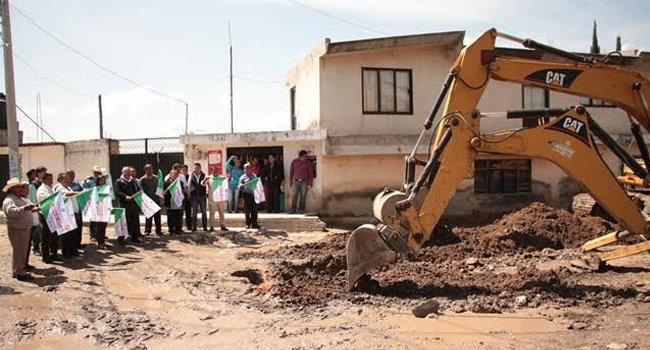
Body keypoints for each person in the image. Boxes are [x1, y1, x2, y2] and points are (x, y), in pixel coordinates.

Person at [2, 178, 39, 281]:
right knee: (19, 252)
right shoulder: (10, 200)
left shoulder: (18, 199)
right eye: (18, 187)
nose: (20, 189)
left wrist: (32, 209)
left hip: (23, 228)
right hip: (18, 229)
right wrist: (25, 208)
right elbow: (12, 212)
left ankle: (20, 270)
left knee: (22, 252)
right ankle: (19, 272)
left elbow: (22, 211)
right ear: (12, 189)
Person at [53, 172, 79, 258]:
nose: (69, 180)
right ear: (60, 179)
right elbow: (63, 195)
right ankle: (66, 252)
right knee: (66, 235)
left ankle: (72, 250)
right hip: (65, 214)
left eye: (69, 179)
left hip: (71, 213)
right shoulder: (58, 187)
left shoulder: (67, 187)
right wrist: (77, 193)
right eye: (66, 179)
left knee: (72, 234)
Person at [114, 166, 142, 245]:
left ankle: (135, 237)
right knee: (123, 221)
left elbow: (137, 190)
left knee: (135, 220)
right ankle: (121, 238)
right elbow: (117, 192)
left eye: (130, 172)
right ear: (123, 172)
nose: (130, 173)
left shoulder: (133, 181)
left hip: (133, 203)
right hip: (124, 204)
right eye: (128, 172)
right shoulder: (118, 181)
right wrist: (125, 196)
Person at [37, 172, 60, 263]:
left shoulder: (50, 188)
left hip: (52, 214)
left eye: (51, 179)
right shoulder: (42, 190)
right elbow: (49, 199)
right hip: (45, 214)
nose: (51, 181)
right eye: (48, 179)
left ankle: (54, 254)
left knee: (54, 235)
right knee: (45, 236)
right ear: (43, 179)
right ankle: (45, 256)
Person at [140, 164, 163, 236]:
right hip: (148, 200)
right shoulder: (142, 179)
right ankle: (147, 230)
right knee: (148, 216)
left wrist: (161, 198)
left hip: (156, 199)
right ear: (145, 170)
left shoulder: (157, 178)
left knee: (157, 216)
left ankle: (158, 230)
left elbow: (160, 188)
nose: (150, 170)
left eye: (151, 169)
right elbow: (141, 190)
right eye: (148, 169)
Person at [66, 169, 84, 249]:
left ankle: (78, 243)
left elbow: (82, 192)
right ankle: (72, 246)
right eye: (70, 175)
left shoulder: (77, 184)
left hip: (78, 208)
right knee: (72, 229)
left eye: (73, 175)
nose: (72, 177)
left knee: (79, 226)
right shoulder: (65, 186)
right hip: (70, 210)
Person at [239, 163, 260, 229]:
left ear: (251, 169)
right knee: (247, 210)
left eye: (249, 168)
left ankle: (254, 223)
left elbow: (257, 184)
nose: (247, 169)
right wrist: (241, 186)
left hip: (253, 195)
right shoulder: (242, 177)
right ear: (244, 170)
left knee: (254, 210)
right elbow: (239, 186)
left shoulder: (254, 176)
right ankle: (248, 223)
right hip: (246, 195)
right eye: (246, 168)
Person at [90, 176, 109, 249]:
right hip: (98, 210)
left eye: (104, 181)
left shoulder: (106, 188)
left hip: (105, 209)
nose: (103, 182)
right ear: (98, 181)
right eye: (101, 181)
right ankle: (100, 243)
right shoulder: (95, 189)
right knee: (99, 227)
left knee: (103, 227)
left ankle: (103, 241)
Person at [164, 170, 184, 235]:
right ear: (170, 175)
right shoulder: (166, 183)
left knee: (178, 217)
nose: (176, 176)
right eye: (174, 174)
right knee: (171, 217)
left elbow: (182, 191)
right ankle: (171, 230)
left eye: (177, 174)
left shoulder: (180, 182)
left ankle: (178, 229)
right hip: (170, 202)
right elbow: (164, 192)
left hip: (178, 202)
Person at [189, 163, 208, 232]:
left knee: (204, 211)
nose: (196, 169)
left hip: (202, 195)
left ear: (200, 169)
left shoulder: (204, 175)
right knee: (194, 212)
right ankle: (194, 227)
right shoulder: (191, 176)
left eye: (197, 168)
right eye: (195, 168)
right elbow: (189, 185)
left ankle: (205, 227)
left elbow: (205, 184)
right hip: (194, 196)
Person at [180, 164, 192, 230]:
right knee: (180, 213)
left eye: (186, 170)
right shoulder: (179, 177)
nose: (185, 171)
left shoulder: (189, 177)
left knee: (188, 212)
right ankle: (180, 226)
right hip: (180, 197)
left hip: (188, 197)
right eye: (183, 170)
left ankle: (189, 226)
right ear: (181, 170)